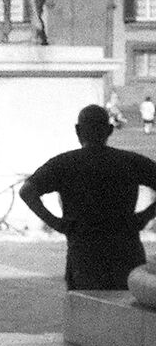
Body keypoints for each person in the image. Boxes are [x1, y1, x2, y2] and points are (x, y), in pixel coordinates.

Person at [18, 105, 156, 291]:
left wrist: (57, 223)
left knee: (84, 312)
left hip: (84, 254)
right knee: (124, 314)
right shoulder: (130, 162)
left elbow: (27, 191)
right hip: (125, 251)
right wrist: (144, 216)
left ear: (78, 130)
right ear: (109, 130)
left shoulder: (64, 163)